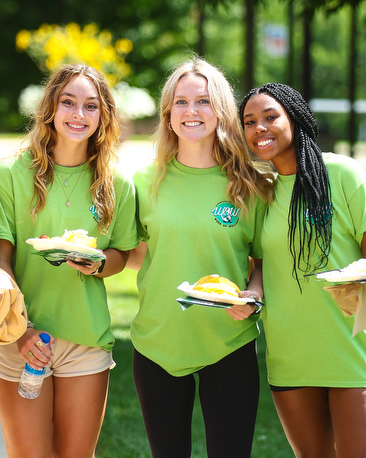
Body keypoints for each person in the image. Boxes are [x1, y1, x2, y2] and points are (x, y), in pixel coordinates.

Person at [0, 63, 138, 457]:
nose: (78, 114)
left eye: (90, 106)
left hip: (86, 340)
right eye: (68, 102)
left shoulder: (116, 182)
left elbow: (121, 253)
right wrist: (19, 332)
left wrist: (100, 263)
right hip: (21, 336)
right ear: (50, 107)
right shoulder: (10, 174)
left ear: (103, 116)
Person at [125, 58, 274, 457]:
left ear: (221, 111)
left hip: (228, 342)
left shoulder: (251, 185)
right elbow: (136, 254)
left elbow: (260, 263)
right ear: (168, 115)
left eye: (204, 101)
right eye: (181, 102)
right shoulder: (142, 182)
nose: (191, 111)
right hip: (158, 342)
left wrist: (253, 298)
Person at [240, 82, 366, 457]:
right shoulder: (262, 193)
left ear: (294, 118)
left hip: (354, 350)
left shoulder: (344, 173)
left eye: (270, 116)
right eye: (249, 121)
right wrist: (252, 293)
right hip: (291, 356)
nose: (259, 127)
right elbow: (259, 267)